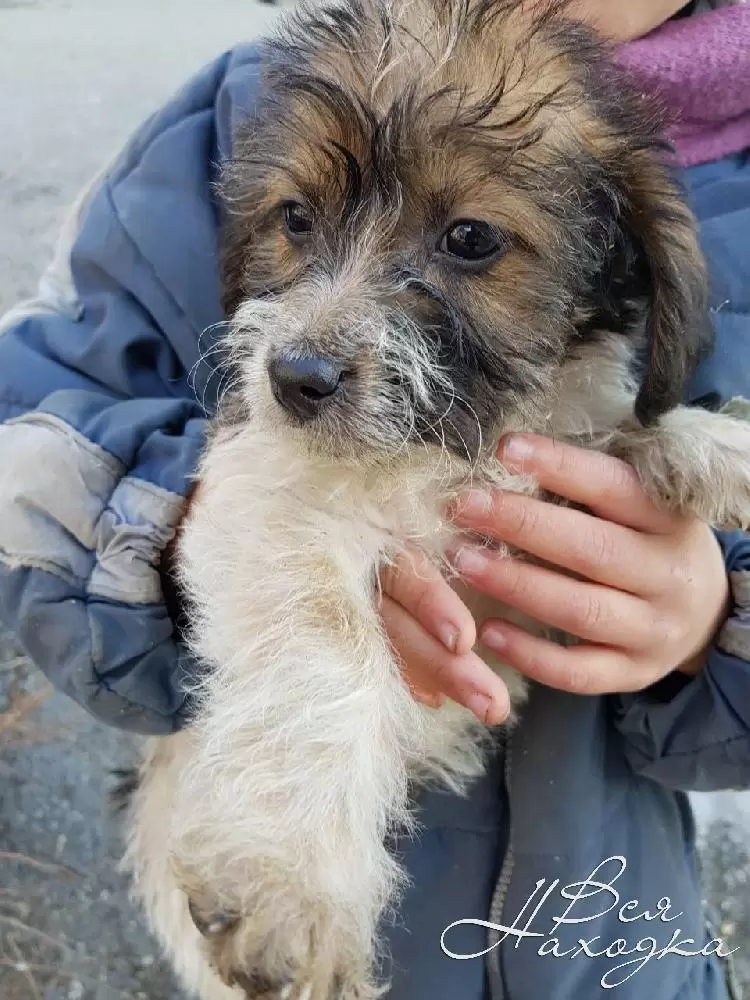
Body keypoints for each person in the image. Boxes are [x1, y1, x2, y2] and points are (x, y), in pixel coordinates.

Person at [0, 1, 748, 998]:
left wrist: (715, 620)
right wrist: (174, 531)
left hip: (611, 938)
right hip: (269, 902)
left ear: (632, 260)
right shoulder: (228, 117)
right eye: (297, 222)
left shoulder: (668, 199)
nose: (311, 341)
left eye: (470, 241)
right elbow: (29, 430)